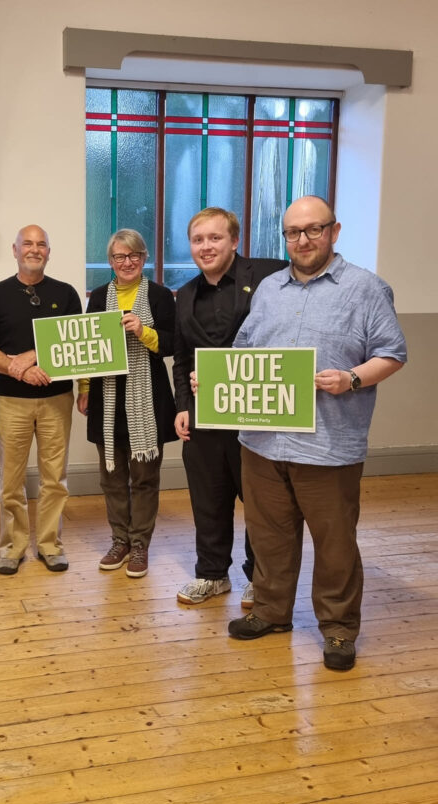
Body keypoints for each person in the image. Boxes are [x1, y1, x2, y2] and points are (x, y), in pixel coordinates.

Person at [227, 195, 407, 671]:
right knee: (268, 536)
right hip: (262, 442)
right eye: (292, 232)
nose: (302, 240)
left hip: (328, 445)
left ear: (334, 230)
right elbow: (245, 349)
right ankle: (270, 611)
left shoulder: (367, 289)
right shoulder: (267, 289)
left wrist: (351, 378)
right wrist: (218, 377)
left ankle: (339, 630)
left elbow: (392, 353)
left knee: (335, 545)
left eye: (312, 230)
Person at [173, 208, 286, 607]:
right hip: (204, 415)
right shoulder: (184, 294)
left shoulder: (271, 277)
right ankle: (212, 574)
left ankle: (260, 577)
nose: (206, 246)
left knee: (259, 501)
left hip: (255, 413)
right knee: (208, 497)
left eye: (214, 238)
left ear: (234, 241)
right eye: (198, 239)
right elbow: (183, 358)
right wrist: (182, 406)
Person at [0, 225, 81, 575]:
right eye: (27, 244)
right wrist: (19, 370)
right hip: (11, 401)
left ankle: (50, 545)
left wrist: (34, 355)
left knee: (55, 478)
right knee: (11, 479)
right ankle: (12, 547)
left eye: (41, 244)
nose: (34, 249)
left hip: (57, 399)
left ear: (49, 252)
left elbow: (76, 344)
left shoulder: (66, 295)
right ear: (15, 250)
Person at [78, 229, 176, 579]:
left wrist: (143, 331)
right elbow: (87, 346)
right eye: (120, 257)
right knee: (112, 477)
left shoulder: (161, 296)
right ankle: (119, 539)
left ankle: (139, 545)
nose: (127, 262)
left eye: (134, 256)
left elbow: (172, 344)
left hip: (147, 398)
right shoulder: (100, 295)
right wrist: (84, 386)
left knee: (144, 477)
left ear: (144, 258)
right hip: (106, 397)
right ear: (111, 262)